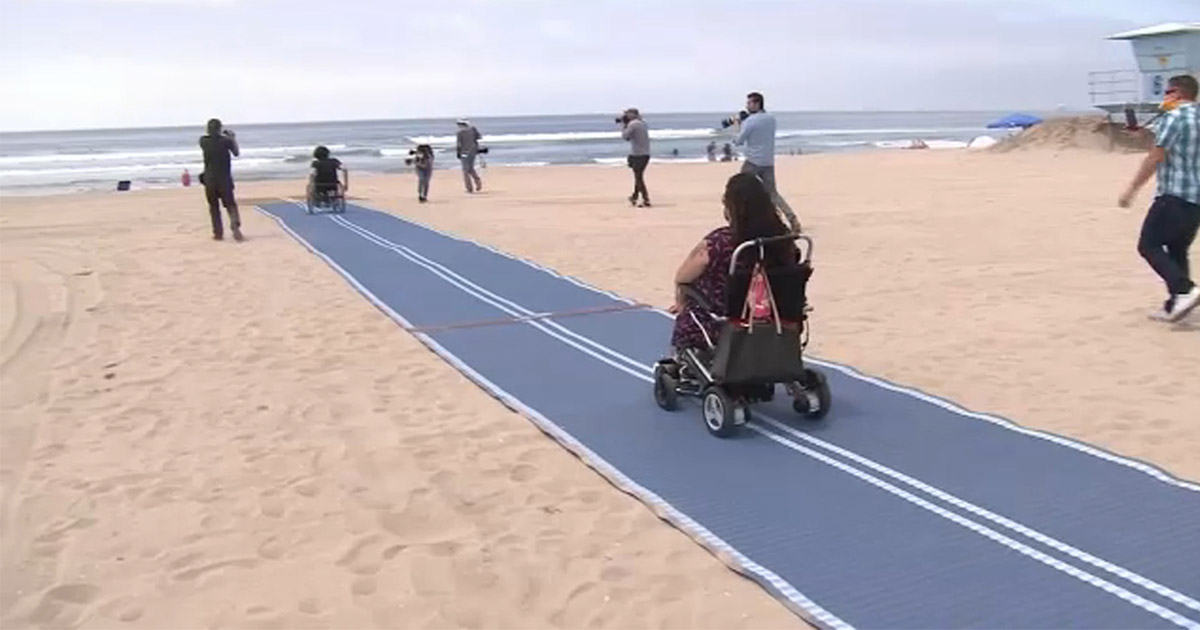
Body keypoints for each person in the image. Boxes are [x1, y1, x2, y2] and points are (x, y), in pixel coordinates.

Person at [667, 172, 796, 353]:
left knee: (690, 299)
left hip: (724, 327)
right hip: (775, 325)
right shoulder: (784, 241)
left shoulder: (720, 242)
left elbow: (682, 277)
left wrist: (681, 302)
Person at [1118, 74, 1200, 322]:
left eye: (1167, 92)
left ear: (1176, 93)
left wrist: (1132, 189)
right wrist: (1144, 136)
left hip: (1174, 194)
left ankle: (1184, 290)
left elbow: (1156, 157)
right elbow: (1171, 146)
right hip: (1196, 198)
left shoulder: (1173, 117)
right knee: (1177, 248)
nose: (1163, 97)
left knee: (1148, 245)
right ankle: (1177, 305)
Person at [733, 92, 801, 233]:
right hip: (768, 161)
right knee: (773, 194)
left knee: (740, 191)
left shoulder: (750, 121)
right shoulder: (771, 119)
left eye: (749, 103)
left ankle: (740, 223)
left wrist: (739, 125)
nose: (747, 106)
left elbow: (738, 141)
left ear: (757, 104)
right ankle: (792, 219)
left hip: (752, 162)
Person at [198, 118, 242, 241]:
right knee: (230, 205)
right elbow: (236, 153)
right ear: (220, 128)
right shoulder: (226, 142)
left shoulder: (203, 141)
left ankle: (218, 233)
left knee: (214, 207)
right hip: (224, 179)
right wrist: (232, 138)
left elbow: (210, 140)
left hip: (210, 180)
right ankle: (235, 224)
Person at [620, 107, 651, 207]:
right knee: (638, 177)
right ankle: (635, 196)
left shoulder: (633, 124)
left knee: (638, 178)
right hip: (645, 153)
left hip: (638, 154)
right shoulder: (642, 123)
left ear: (633, 114)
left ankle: (646, 199)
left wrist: (624, 125)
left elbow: (625, 136)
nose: (626, 116)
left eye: (628, 114)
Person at [456, 119, 483, 193]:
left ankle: (469, 188)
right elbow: (479, 137)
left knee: (465, 171)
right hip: (473, 151)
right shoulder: (473, 129)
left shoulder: (460, 133)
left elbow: (459, 144)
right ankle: (478, 182)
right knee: (471, 168)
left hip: (464, 152)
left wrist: (458, 153)